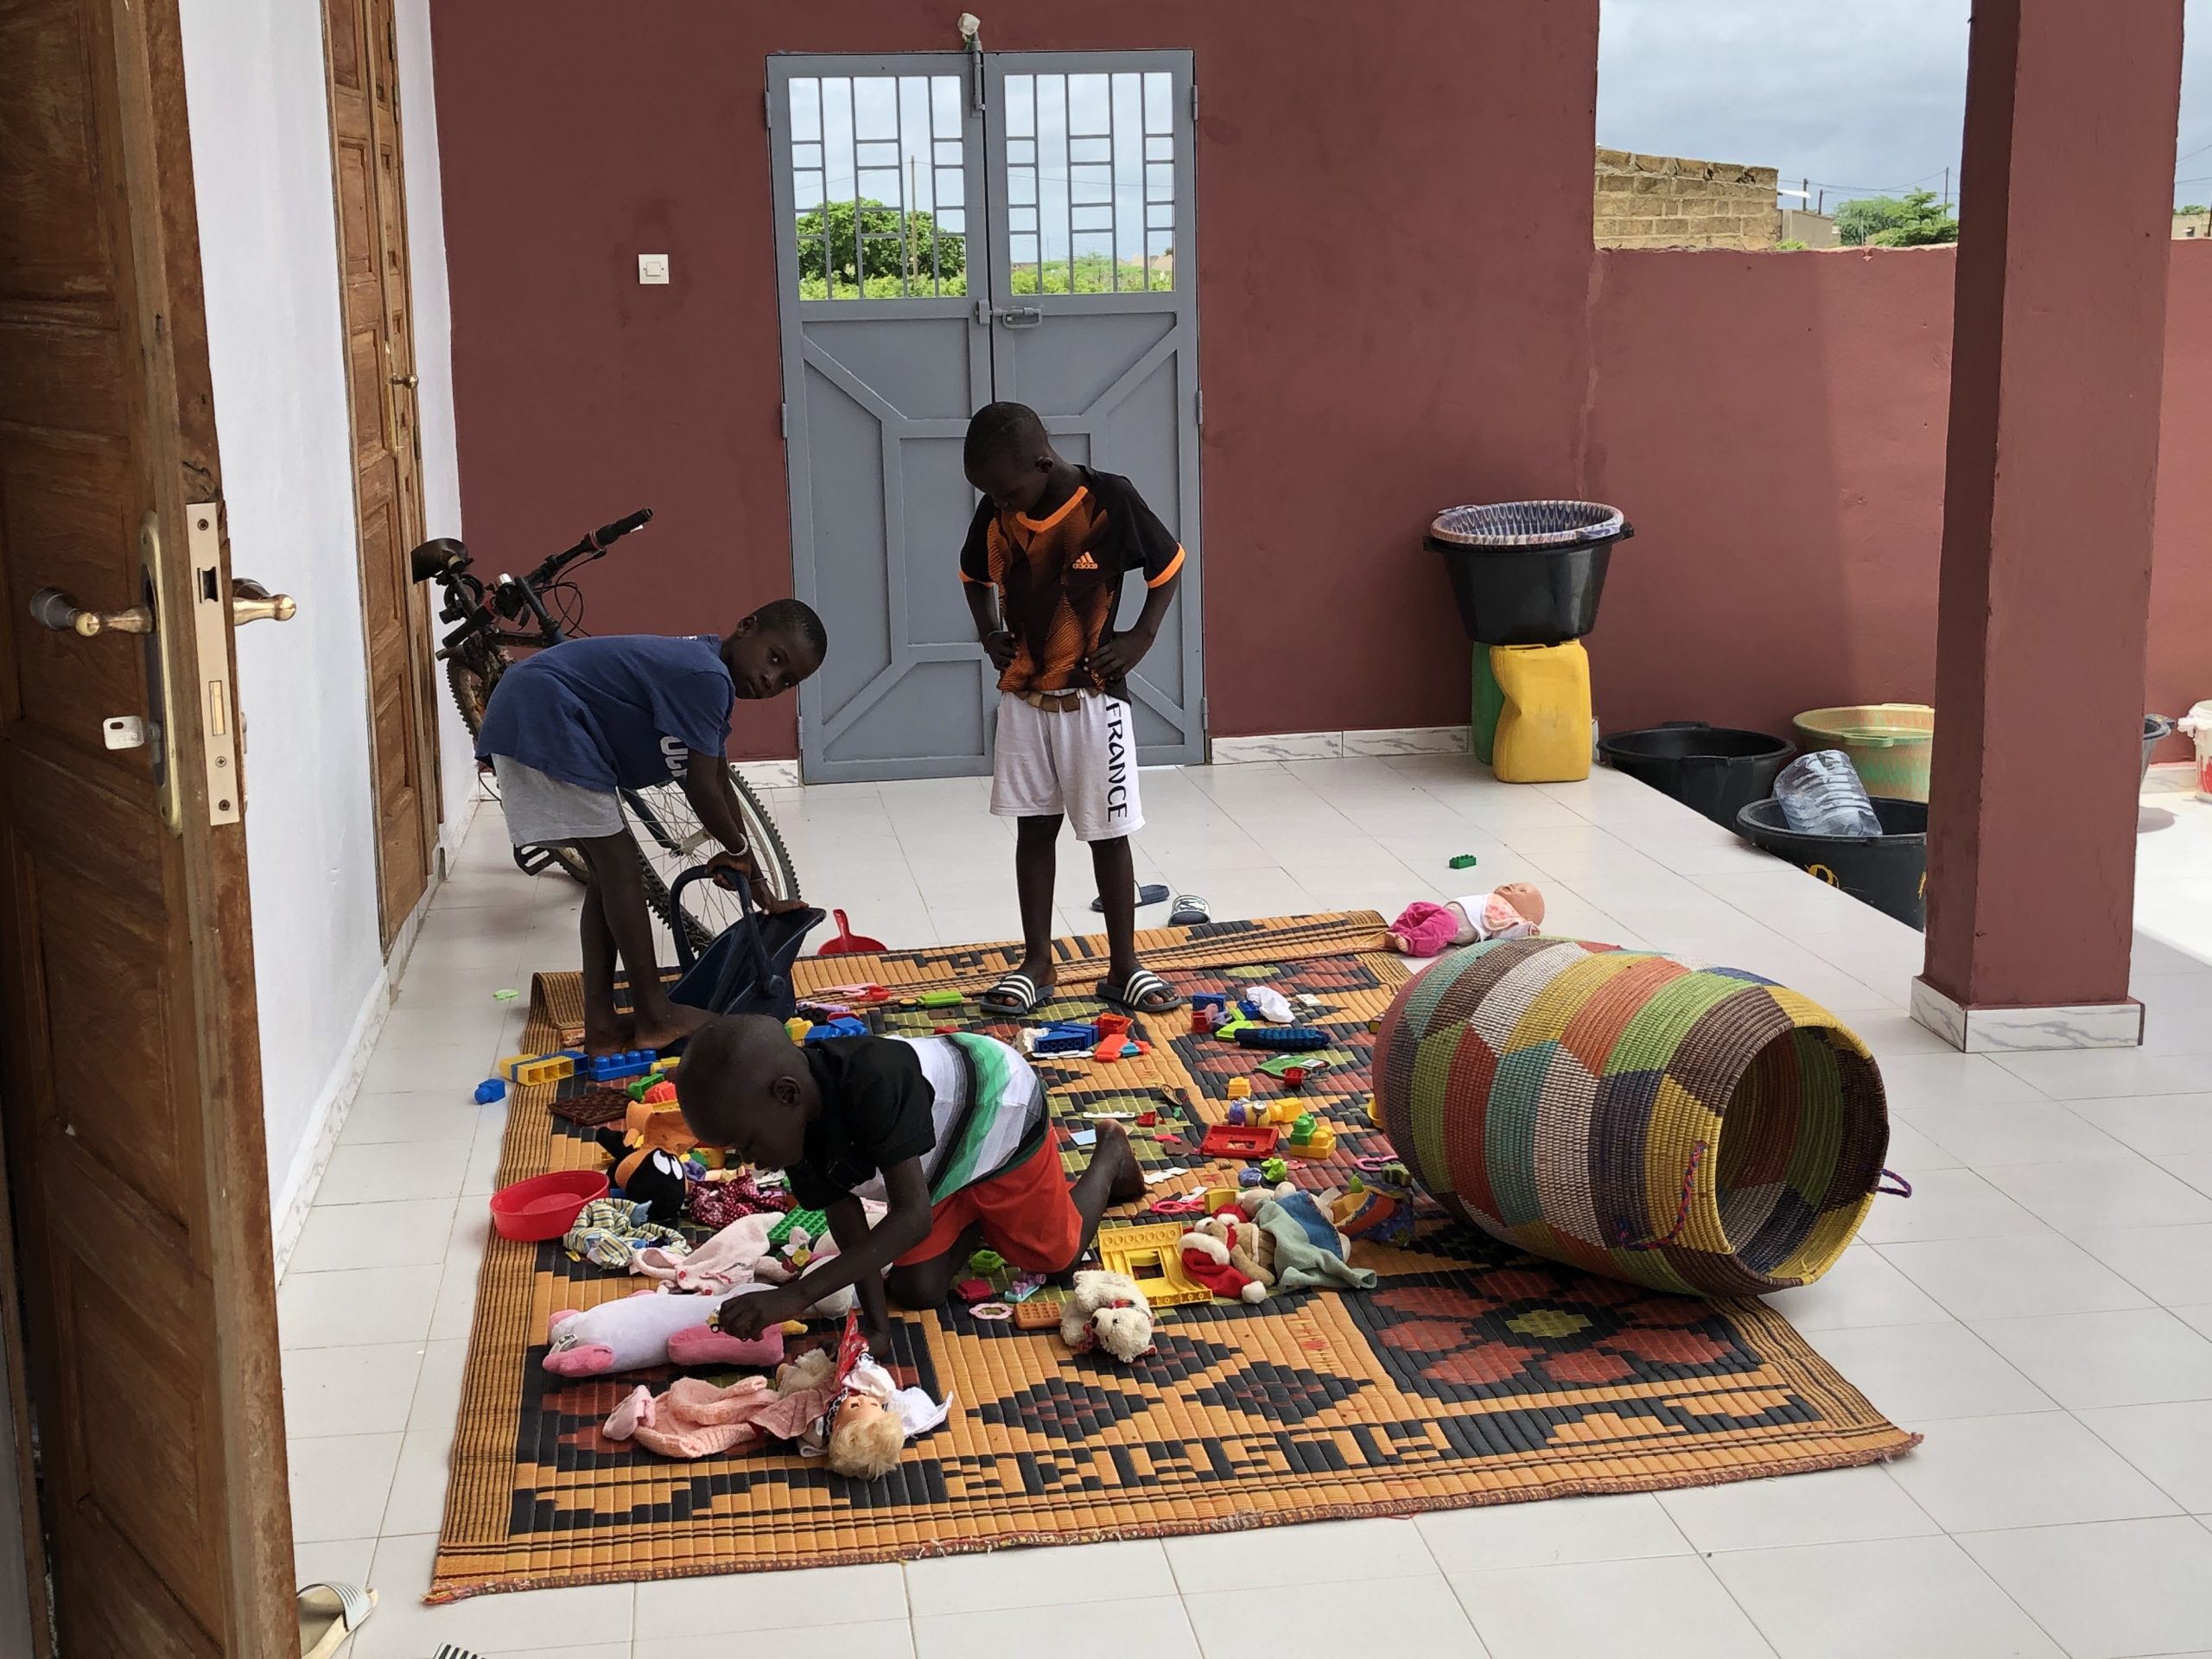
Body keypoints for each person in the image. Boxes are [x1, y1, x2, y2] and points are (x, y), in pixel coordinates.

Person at [674, 1014, 1145, 1353]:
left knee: (1056, 1259)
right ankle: (975, 1210)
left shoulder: (875, 1080)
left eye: (746, 1143)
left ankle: (1110, 1155)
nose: (748, 1160)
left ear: (787, 1094)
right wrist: (876, 1330)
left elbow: (912, 1218)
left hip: (999, 1117)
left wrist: (795, 1295)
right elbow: (849, 1226)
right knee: (918, 1290)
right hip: (933, 1163)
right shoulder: (793, 1129)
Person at [474, 601, 825, 1053]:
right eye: (774, 659)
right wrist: (737, 851)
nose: (772, 680)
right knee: (622, 871)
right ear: (746, 627)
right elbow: (701, 788)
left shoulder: (709, 676)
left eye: (787, 681)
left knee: (607, 878)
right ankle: (655, 1016)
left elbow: (720, 783)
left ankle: (602, 1026)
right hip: (544, 716)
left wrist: (759, 885)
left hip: (541, 712)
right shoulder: (706, 678)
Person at [957, 401, 1186, 1018]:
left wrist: (1140, 637)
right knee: (1034, 828)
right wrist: (987, 633)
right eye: (990, 496)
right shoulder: (998, 508)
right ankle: (1037, 962)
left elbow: (1168, 565)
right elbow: (973, 575)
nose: (1000, 505)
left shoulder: (1110, 499)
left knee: (1109, 834)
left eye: (1007, 493)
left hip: (1094, 700)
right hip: (1024, 700)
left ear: (1042, 463)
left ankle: (1123, 966)